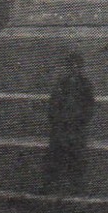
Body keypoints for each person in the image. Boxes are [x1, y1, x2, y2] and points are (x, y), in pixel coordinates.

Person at [41, 52, 96, 196]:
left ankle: (77, 187)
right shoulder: (61, 84)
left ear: (81, 68)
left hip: (77, 127)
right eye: (71, 66)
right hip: (61, 126)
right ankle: (51, 186)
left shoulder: (85, 84)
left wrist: (80, 120)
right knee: (55, 155)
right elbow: (53, 105)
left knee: (77, 156)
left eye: (77, 66)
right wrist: (58, 120)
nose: (74, 68)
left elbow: (90, 106)